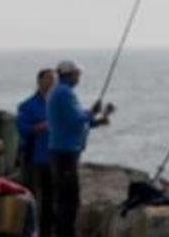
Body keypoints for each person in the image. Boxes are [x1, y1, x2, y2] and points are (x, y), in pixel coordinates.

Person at [47, 61, 114, 237]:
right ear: (69, 74)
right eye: (77, 74)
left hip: (63, 152)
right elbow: (76, 120)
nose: (79, 77)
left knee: (66, 198)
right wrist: (92, 111)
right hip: (65, 153)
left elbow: (77, 121)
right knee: (69, 200)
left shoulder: (61, 93)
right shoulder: (64, 93)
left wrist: (97, 120)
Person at [16, 68, 56, 237]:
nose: (52, 82)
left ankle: (46, 231)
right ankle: (27, 231)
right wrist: (37, 127)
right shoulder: (28, 105)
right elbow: (21, 128)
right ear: (39, 81)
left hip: (53, 158)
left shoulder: (57, 105)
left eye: (54, 79)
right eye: (48, 79)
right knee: (31, 196)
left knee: (50, 199)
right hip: (34, 158)